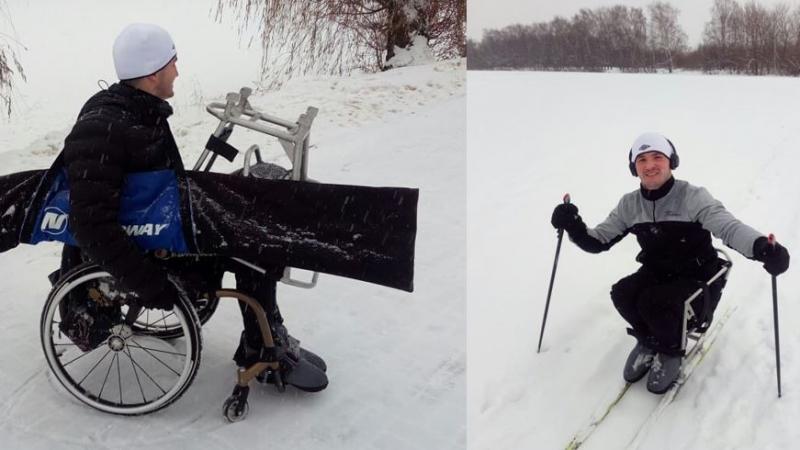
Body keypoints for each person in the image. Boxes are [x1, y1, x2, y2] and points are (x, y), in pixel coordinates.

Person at [57, 23, 327, 392]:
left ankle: (267, 334)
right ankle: (262, 346)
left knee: (262, 188)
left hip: (162, 223)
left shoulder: (139, 110)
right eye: (173, 63)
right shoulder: (104, 127)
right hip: (152, 252)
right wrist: (148, 282)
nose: (178, 72)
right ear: (153, 74)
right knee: (254, 242)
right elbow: (89, 223)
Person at [550, 132, 789, 394]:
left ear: (670, 161)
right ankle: (650, 339)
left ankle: (671, 349)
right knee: (622, 293)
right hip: (658, 271)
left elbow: (728, 227)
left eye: (657, 157)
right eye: (642, 159)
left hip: (698, 276)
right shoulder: (630, 205)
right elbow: (599, 241)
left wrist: (762, 248)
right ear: (634, 167)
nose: (650, 165)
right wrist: (572, 225)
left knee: (654, 301)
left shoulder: (692, 197)